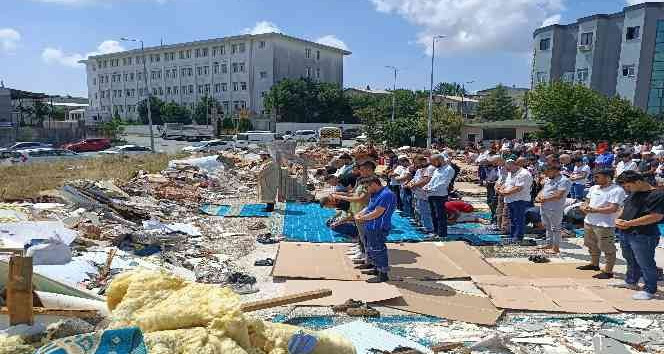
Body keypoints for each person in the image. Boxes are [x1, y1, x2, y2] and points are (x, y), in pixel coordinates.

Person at [614, 171, 664, 300]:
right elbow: (625, 208)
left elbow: (656, 216)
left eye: (628, 186)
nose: (626, 189)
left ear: (638, 182)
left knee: (646, 262)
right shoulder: (634, 193)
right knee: (630, 259)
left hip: (644, 234)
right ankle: (631, 281)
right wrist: (618, 219)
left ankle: (650, 289)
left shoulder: (657, 194)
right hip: (626, 232)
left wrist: (630, 223)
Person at [578, 169, 626, 279]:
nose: (595, 179)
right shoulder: (594, 188)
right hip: (589, 221)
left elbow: (613, 208)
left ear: (608, 177)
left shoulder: (617, 190)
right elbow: (586, 200)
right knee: (591, 244)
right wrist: (584, 206)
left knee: (607, 247)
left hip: (605, 224)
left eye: (597, 177)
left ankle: (608, 271)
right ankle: (594, 264)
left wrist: (594, 210)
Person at [354, 176, 397, 283]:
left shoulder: (387, 195)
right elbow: (369, 208)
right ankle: (376, 268)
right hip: (370, 226)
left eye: (366, 187)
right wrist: (360, 214)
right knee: (371, 247)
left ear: (373, 184)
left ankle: (383, 273)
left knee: (378, 249)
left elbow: (378, 212)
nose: (366, 190)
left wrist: (362, 218)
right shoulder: (375, 194)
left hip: (378, 227)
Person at [332, 160, 374, 264]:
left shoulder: (371, 182)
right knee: (361, 235)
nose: (360, 171)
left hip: (364, 212)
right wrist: (342, 194)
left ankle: (366, 257)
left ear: (369, 170)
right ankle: (361, 250)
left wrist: (341, 196)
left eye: (363, 170)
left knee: (366, 236)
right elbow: (353, 193)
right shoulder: (361, 179)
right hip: (357, 210)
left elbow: (361, 198)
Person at [535, 164, 571, 254]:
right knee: (547, 227)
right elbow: (544, 190)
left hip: (555, 207)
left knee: (555, 228)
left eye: (548, 172)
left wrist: (544, 199)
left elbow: (559, 195)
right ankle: (549, 244)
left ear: (554, 170)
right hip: (544, 206)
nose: (546, 174)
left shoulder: (564, 180)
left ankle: (556, 248)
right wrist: (538, 196)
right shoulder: (549, 179)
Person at [498, 158, 533, 244]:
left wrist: (505, 192)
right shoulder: (511, 173)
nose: (507, 170)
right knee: (512, 219)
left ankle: (518, 237)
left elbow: (519, 188)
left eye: (508, 168)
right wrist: (501, 189)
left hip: (520, 199)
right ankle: (512, 235)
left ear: (513, 165)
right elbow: (506, 184)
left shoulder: (524, 173)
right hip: (510, 200)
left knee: (518, 219)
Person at [423, 154, 455, 239]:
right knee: (433, 214)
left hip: (440, 195)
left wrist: (431, 188)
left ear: (439, 160)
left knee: (440, 215)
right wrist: (427, 186)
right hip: (431, 194)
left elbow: (444, 183)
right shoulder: (437, 170)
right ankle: (435, 231)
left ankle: (442, 234)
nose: (432, 164)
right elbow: (432, 180)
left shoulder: (449, 169)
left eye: (433, 162)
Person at [406, 155, 434, 233]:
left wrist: (414, 185)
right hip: (418, 194)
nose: (416, 165)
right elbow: (414, 179)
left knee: (426, 212)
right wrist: (410, 184)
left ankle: (429, 228)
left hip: (426, 195)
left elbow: (425, 181)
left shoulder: (430, 168)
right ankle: (424, 225)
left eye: (417, 163)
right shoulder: (419, 170)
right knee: (419, 210)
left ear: (423, 161)